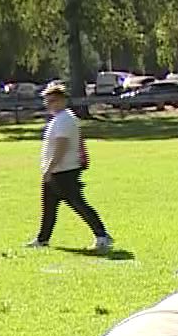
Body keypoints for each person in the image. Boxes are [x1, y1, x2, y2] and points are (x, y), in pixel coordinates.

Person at [25, 82, 114, 252]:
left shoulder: (65, 119)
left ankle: (102, 235)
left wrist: (50, 168)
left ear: (62, 100)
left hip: (64, 170)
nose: (49, 104)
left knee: (78, 204)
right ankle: (42, 239)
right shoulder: (58, 119)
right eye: (47, 101)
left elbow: (62, 145)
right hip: (57, 170)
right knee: (49, 206)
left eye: (52, 100)